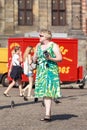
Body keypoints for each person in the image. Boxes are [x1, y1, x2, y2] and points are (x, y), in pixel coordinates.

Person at [33, 29, 62, 121]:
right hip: (41, 71)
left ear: (46, 37)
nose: (39, 37)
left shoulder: (53, 45)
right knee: (44, 93)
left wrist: (50, 58)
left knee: (48, 92)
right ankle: (47, 113)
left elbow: (60, 58)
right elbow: (34, 59)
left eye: (41, 35)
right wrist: (35, 57)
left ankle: (47, 115)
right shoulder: (38, 46)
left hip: (50, 71)